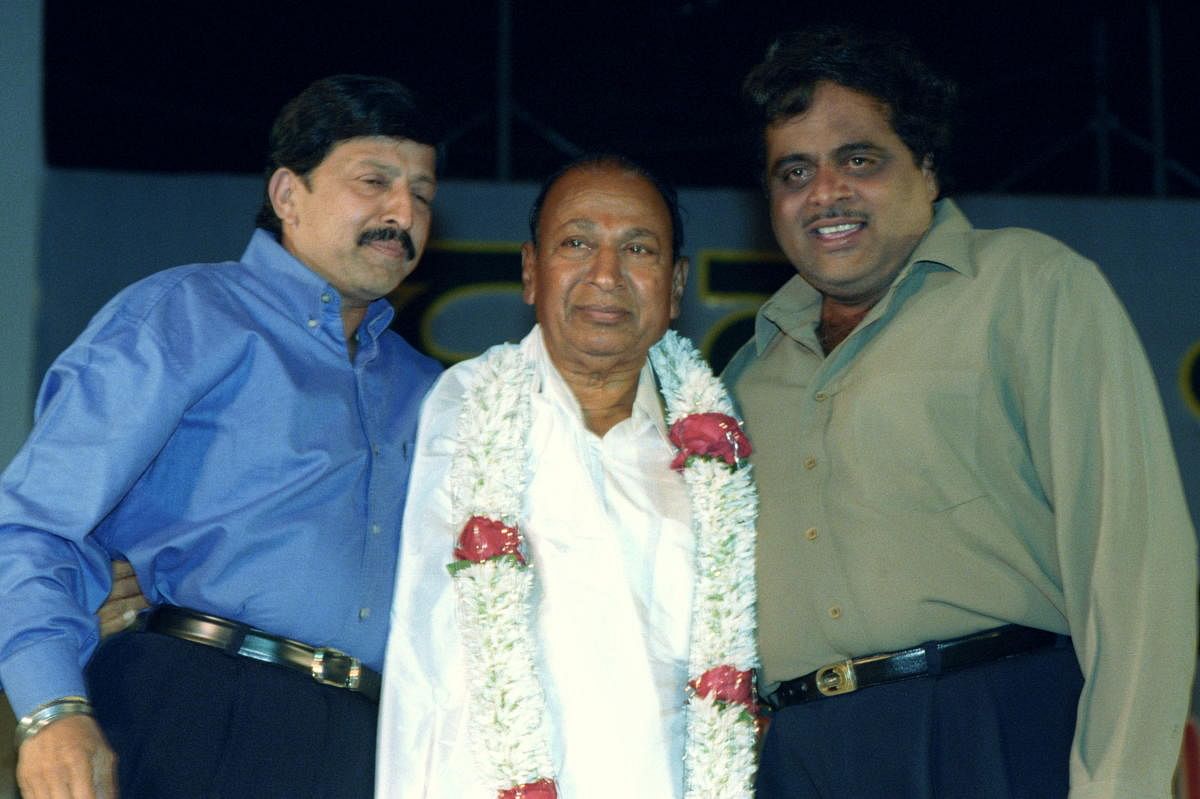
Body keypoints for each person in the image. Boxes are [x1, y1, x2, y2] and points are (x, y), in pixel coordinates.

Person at [723, 25, 1197, 798]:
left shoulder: (1030, 288)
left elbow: (1136, 571)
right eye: (794, 171)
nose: (825, 192)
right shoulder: (746, 375)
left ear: (930, 168)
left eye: (860, 159)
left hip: (993, 734)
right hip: (799, 756)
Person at [0, 73, 444, 798]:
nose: (404, 211)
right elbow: (39, 522)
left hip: (370, 743)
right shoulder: (186, 315)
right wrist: (51, 709)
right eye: (375, 181)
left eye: (422, 192)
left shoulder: (430, 390)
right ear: (287, 195)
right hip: (193, 710)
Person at [376, 155, 761, 798]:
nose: (606, 274)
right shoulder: (468, 407)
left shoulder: (713, 445)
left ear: (675, 285)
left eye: (638, 248)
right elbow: (422, 660)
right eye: (577, 243)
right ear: (531, 272)